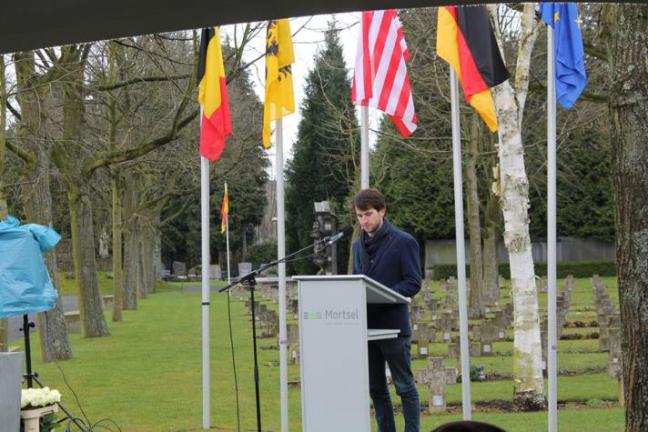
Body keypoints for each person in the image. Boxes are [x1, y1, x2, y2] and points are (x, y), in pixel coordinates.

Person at [352, 188, 422, 432]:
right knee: (376, 389)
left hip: (393, 326)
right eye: (359, 216)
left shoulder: (404, 242)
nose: (364, 221)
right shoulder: (356, 246)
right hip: (366, 327)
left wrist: (385, 293)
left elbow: (413, 282)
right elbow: (356, 283)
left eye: (368, 214)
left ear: (382, 211)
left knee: (404, 387)